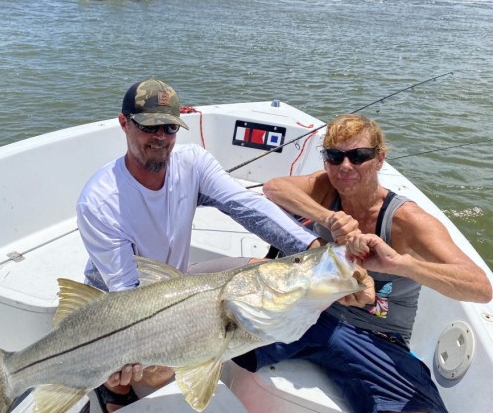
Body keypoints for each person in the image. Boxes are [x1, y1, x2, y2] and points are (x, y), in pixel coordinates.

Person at [76, 79, 371, 412]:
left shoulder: (192, 162)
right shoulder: (100, 201)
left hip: (174, 280)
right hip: (116, 305)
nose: (160, 138)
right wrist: (138, 353)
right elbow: (127, 295)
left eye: (169, 127)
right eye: (148, 126)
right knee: (155, 371)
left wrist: (315, 249)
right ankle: (113, 392)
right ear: (123, 123)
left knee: (259, 273)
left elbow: (246, 206)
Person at [233, 114, 492, 413]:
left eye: (359, 156)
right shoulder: (327, 188)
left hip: (375, 338)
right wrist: (329, 217)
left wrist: (402, 264)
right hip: (309, 311)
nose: (345, 167)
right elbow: (275, 188)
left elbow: (480, 287)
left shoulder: (407, 220)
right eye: (334, 156)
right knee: (215, 335)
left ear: (380, 159)